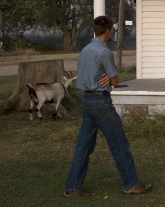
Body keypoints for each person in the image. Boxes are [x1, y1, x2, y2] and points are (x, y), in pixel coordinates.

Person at [64, 16, 153, 198]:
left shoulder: (86, 50)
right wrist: (109, 77)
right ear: (108, 31)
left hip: (87, 101)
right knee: (119, 144)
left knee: (84, 146)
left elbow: (88, 74)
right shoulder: (104, 53)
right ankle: (131, 184)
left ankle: (73, 187)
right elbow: (114, 80)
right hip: (100, 102)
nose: (111, 32)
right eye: (111, 30)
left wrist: (104, 75)